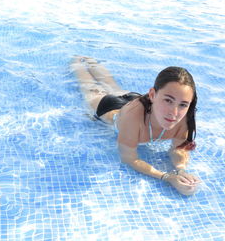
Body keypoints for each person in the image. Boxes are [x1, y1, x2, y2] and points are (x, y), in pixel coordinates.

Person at [71, 56, 201, 195]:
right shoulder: (133, 119)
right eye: (168, 100)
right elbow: (129, 158)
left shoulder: (184, 118)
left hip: (137, 101)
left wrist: (181, 170)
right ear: (152, 95)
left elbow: (179, 149)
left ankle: (91, 61)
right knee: (88, 85)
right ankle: (78, 60)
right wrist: (167, 177)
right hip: (109, 107)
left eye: (182, 104)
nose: (174, 113)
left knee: (111, 84)